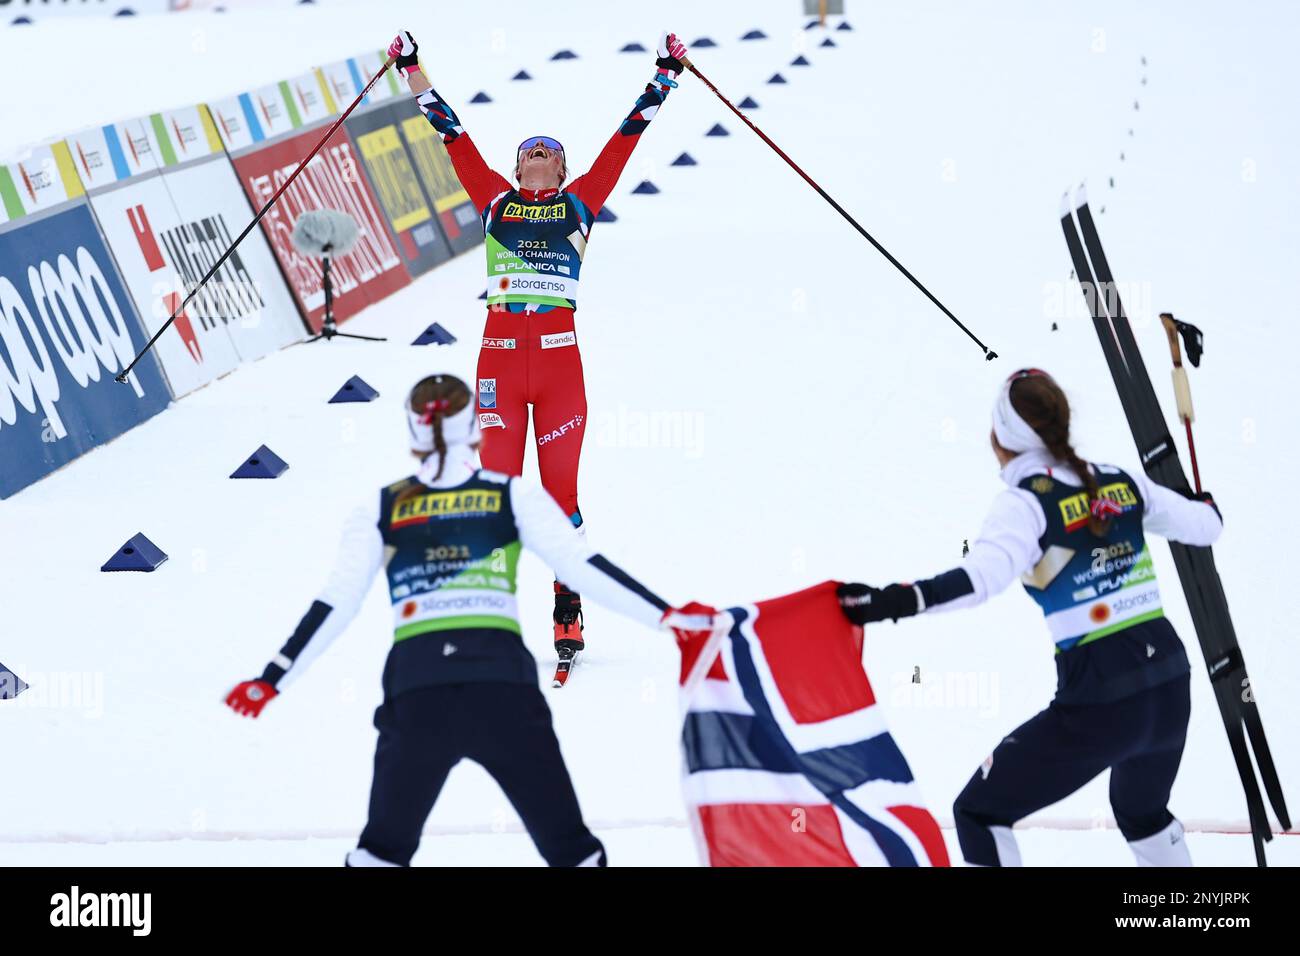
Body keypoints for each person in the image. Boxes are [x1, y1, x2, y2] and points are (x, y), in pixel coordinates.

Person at [225, 373, 707, 867]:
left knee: (381, 854)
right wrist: (667, 616)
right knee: (573, 853)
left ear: (411, 432)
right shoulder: (510, 495)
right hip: (503, 688)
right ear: (476, 429)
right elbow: (581, 565)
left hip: (418, 692)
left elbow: (336, 603)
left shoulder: (383, 505)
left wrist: (273, 677)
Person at [837, 369, 1223, 867]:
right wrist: (1203, 502)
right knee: (1141, 812)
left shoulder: (1025, 505)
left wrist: (888, 603)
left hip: (1102, 700)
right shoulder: (1119, 481)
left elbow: (978, 582)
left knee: (978, 812)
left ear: (1001, 439)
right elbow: (1207, 526)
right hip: (1170, 684)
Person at [386, 29, 689, 664]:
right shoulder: (494, 201)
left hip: (558, 368)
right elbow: (451, 133)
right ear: (517, 167)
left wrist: (664, 77)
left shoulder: (582, 203)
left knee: (560, 498)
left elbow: (623, 143)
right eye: (530, 157)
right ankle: (479, 611)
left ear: (564, 169)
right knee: (492, 490)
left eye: (551, 157)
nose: (540, 163)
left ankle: (568, 606)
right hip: (498, 362)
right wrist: (412, 68)